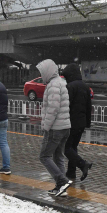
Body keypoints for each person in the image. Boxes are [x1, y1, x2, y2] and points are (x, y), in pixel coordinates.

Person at [37, 59, 72, 197]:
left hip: (55, 128)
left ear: (48, 71)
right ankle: (61, 188)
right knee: (58, 157)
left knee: (44, 156)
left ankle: (62, 181)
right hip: (64, 127)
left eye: (42, 71)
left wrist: (46, 126)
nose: (41, 74)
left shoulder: (53, 85)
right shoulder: (61, 83)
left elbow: (53, 108)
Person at [61, 63, 93, 182]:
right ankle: (71, 172)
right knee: (73, 147)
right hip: (81, 123)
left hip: (71, 122)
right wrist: (87, 123)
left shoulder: (70, 87)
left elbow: (66, 106)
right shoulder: (85, 87)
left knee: (66, 148)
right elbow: (89, 106)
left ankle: (82, 164)